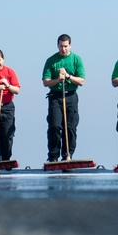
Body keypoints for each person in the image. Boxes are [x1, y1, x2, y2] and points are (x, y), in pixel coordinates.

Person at [41, 34, 85, 162]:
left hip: (70, 95)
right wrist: (58, 79)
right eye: (61, 46)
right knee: (55, 126)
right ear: (57, 45)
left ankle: (68, 154)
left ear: (70, 45)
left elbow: (81, 81)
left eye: (65, 46)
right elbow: (46, 82)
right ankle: (53, 156)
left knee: (70, 127)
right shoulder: (51, 60)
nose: (63, 49)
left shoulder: (76, 59)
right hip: (55, 96)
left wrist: (68, 77)